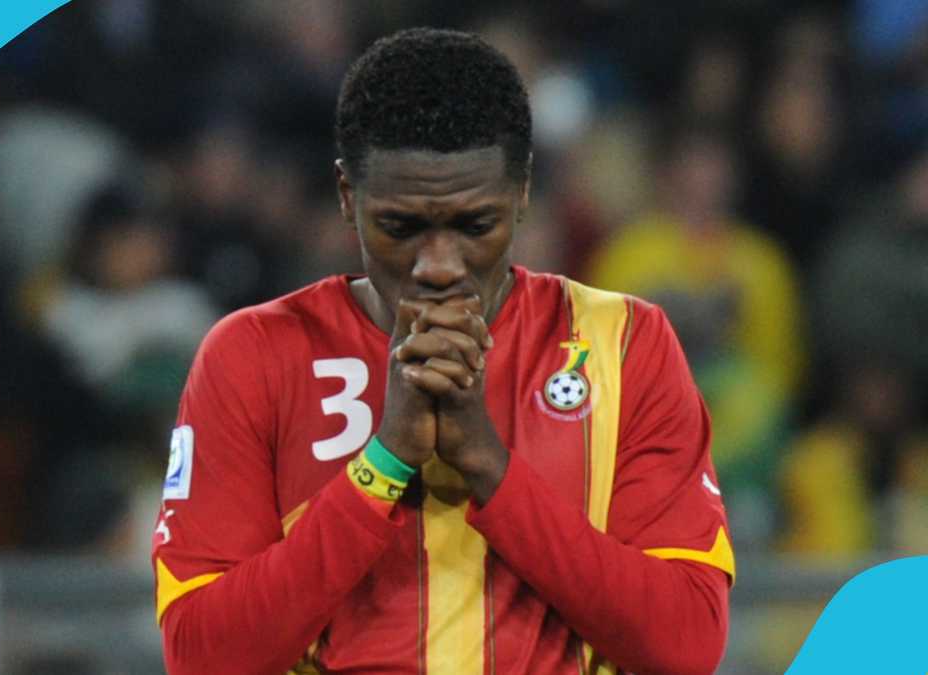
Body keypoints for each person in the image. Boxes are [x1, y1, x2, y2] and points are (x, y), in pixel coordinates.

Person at [152, 28, 734, 674]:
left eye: (475, 225)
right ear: (346, 195)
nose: (438, 265)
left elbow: (686, 646)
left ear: (523, 191)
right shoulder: (254, 355)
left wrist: (489, 465)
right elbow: (202, 657)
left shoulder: (624, 343)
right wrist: (385, 460)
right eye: (400, 226)